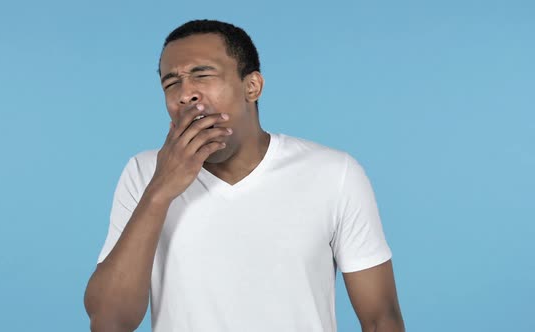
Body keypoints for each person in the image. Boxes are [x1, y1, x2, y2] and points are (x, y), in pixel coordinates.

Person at [84, 19, 405, 332]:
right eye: (171, 83)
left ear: (252, 86)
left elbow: (381, 319)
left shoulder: (334, 174)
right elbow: (109, 321)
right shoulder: (143, 173)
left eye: (203, 74)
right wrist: (160, 191)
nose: (185, 94)